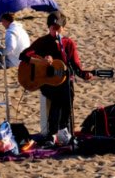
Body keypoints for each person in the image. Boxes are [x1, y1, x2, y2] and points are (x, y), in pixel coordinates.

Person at [20, 11, 93, 139]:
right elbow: (24, 55)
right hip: (46, 82)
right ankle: (58, 130)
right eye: (53, 28)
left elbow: (75, 66)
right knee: (59, 94)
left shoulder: (68, 43)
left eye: (58, 28)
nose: (56, 31)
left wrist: (85, 75)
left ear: (63, 28)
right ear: (49, 27)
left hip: (65, 82)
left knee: (66, 90)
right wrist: (41, 61)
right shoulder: (42, 42)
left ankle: (58, 130)